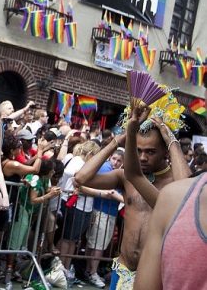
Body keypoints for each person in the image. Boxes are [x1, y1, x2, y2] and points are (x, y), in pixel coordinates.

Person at [73, 105, 191, 290]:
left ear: (166, 152)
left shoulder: (174, 184)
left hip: (153, 277)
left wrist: (171, 140)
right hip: (122, 271)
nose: (142, 157)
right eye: (138, 150)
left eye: (150, 152)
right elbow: (81, 178)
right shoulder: (126, 177)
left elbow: (187, 193)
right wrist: (115, 142)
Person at [133, 174, 207, 290]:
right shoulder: (173, 196)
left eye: (151, 153)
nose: (143, 157)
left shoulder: (175, 194)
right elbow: (133, 175)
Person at [57, 140, 101, 278]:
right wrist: (99, 192)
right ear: (90, 154)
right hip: (73, 204)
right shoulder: (77, 162)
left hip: (83, 206)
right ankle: (61, 268)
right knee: (67, 238)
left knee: (73, 240)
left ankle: (66, 266)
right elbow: (76, 181)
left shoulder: (82, 164)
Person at [84, 149, 124, 288]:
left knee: (98, 243)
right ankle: (92, 272)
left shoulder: (119, 173)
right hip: (101, 211)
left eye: (119, 161)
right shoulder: (106, 168)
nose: (115, 162)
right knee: (96, 244)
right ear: (110, 158)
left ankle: (90, 271)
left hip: (110, 213)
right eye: (114, 159)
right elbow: (110, 191)